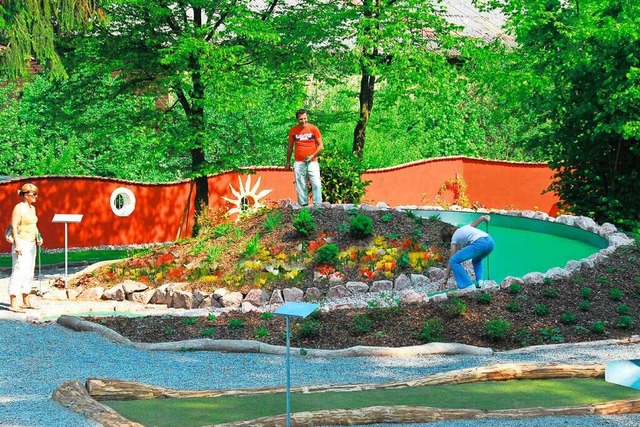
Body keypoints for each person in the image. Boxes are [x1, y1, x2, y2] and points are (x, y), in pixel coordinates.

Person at [8, 183, 43, 312]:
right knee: (18, 270)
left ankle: (25, 299)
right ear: (25, 195)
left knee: (29, 271)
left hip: (31, 242)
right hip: (21, 242)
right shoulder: (19, 208)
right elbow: (14, 226)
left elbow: (34, 224)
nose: (36, 196)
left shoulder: (32, 208)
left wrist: (38, 237)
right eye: (34, 194)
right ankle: (13, 302)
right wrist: (17, 244)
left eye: (36, 194)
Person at [440, 215, 494, 291]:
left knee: (454, 261)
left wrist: (445, 278)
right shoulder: (465, 227)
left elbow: (451, 259)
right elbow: (476, 222)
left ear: (447, 236)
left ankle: (466, 285)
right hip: (490, 242)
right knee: (476, 260)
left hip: (480, 243)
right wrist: (484, 218)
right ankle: (480, 282)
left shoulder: (454, 238)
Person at [285, 109, 324, 206]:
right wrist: (287, 162)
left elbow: (321, 146)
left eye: (305, 118)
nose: (303, 121)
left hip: (312, 161)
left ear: (307, 117)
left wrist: (312, 156)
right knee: (301, 184)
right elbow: (290, 147)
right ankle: (303, 205)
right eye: (301, 119)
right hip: (299, 162)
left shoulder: (313, 129)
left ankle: (318, 205)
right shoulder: (293, 130)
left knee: (316, 183)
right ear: (297, 119)